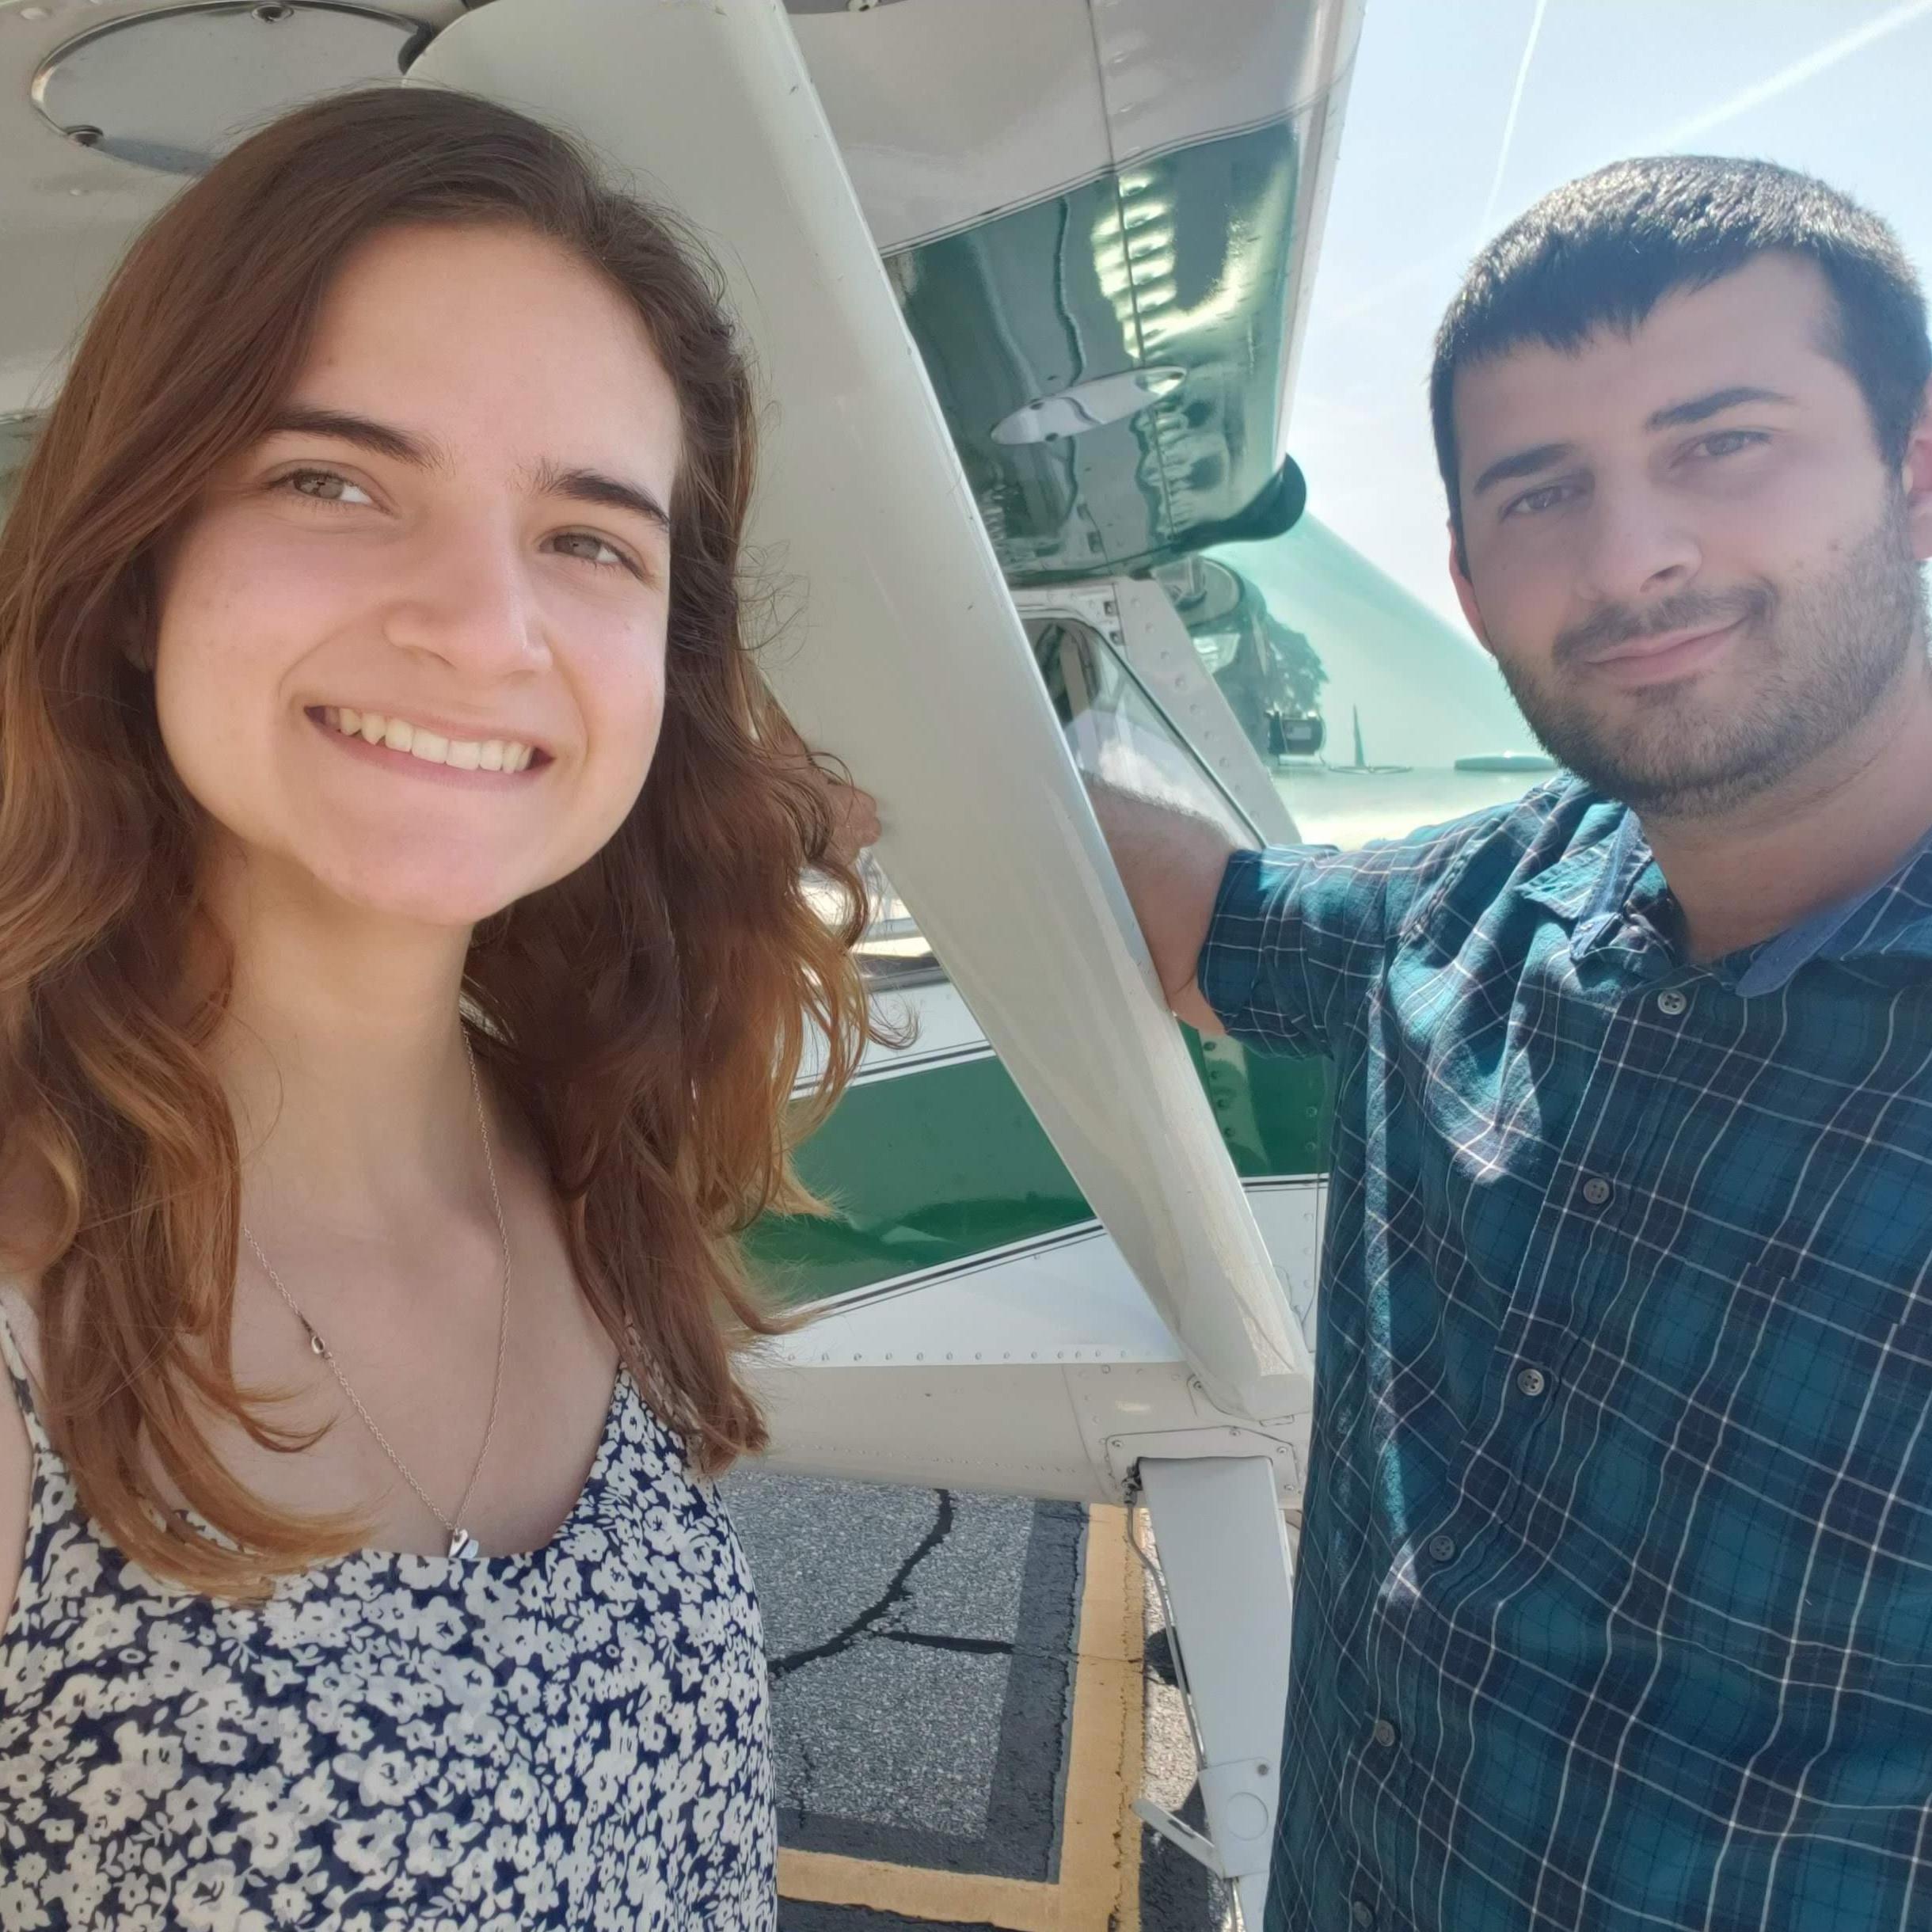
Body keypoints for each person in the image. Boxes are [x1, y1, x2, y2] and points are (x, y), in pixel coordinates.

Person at [0, 86, 879, 1930]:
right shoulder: (28, 1292)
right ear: (141, 561)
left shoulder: (589, 1163)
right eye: (331, 480)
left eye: (589, 538)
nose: (485, 625)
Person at [1094, 156, 1932, 1930]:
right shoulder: (1485, 898)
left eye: (1722, 442)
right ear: (1467, 579)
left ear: (1914, 467)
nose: (1631, 556)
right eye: (1541, 490)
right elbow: (1203, 915)